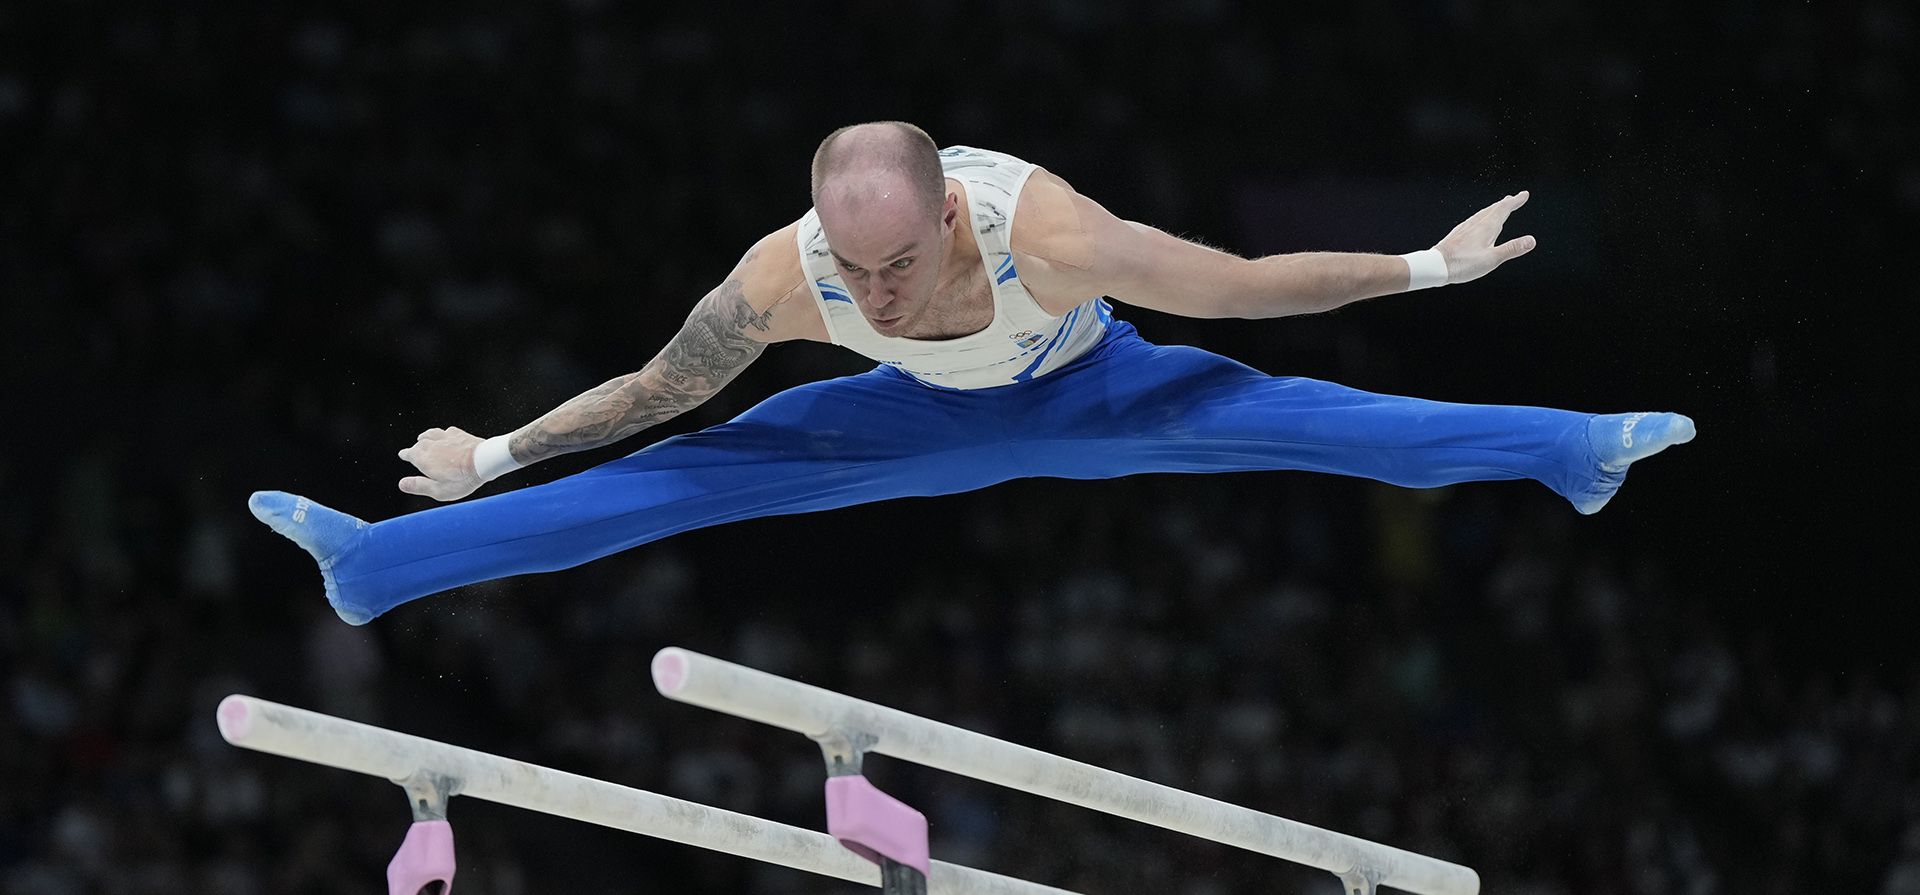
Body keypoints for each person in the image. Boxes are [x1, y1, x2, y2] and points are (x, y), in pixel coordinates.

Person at [249, 122, 1694, 626]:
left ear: (950, 213)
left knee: (1312, 423)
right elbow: (658, 386)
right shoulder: (782, 273)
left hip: (1094, 387)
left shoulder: (1047, 234)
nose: (868, 289)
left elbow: (1248, 292)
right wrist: (494, 450)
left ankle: (1568, 453)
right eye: (847, 266)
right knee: (676, 474)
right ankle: (382, 566)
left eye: (894, 265)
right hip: (904, 417)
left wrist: (1428, 271)